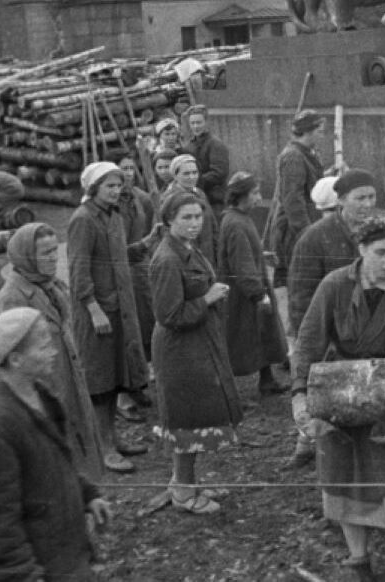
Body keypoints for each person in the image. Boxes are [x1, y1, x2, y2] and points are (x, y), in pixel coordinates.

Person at [292, 214, 385, 582]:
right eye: (381, 252)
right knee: (342, 476)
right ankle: (358, 559)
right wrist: (300, 395)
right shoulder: (334, 286)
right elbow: (308, 343)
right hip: (338, 395)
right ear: (361, 250)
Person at [0, 308, 113, 580]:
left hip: (61, 557)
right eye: (43, 346)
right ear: (16, 359)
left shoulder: (40, 397)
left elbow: (53, 465)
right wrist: (23, 574)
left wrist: (87, 495)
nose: (53, 350)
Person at [149, 191, 243, 515]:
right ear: (169, 221)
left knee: (194, 417)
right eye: (186, 218)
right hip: (180, 351)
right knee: (184, 421)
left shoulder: (188, 249)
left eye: (198, 217)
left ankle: (185, 481)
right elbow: (169, 315)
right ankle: (184, 493)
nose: (194, 223)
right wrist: (208, 299)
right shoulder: (167, 259)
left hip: (197, 344)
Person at [0, 224, 106, 479]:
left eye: (55, 250)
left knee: (76, 453)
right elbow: (8, 364)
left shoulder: (53, 287)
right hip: (41, 392)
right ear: (25, 257)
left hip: (68, 382)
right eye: (44, 253)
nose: (53, 257)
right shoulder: (13, 298)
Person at [285, 169, 379, 467]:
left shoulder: (380, 232)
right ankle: (307, 443)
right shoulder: (315, 239)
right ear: (340, 201)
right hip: (329, 333)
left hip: (370, 332)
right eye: (359, 198)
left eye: (371, 197)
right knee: (321, 391)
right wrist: (307, 337)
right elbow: (300, 294)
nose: (367, 204)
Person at [67, 161, 150, 474]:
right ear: (93, 189)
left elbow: (117, 256)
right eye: (109, 186)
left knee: (116, 377)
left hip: (119, 310)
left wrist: (144, 245)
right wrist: (92, 308)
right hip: (97, 313)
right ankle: (104, 447)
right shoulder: (84, 220)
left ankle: (113, 437)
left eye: (118, 185)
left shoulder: (113, 216)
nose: (117, 191)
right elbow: (79, 269)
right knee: (100, 381)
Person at [218, 171, 288, 396]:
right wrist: (258, 294)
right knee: (241, 339)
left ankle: (267, 381)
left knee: (263, 334)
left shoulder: (241, 218)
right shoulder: (235, 223)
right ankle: (227, 392)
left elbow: (249, 251)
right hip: (244, 294)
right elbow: (241, 262)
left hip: (251, 287)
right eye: (255, 193)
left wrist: (263, 255)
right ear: (240, 196)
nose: (259, 198)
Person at [116, 153, 161, 421]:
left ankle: (138, 383)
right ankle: (123, 394)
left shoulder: (141, 199)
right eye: (123, 169)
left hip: (141, 270)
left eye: (132, 169)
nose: (128, 174)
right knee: (126, 331)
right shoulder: (108, 206)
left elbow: (151, 232)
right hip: (120, 272)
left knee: (144, 325)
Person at [270, 110, 327, 287]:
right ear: (308, 132)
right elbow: (293, 200)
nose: (322, 135)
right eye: (319, 131)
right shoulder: (294, 156)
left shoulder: (305, 153)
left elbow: (309, 184)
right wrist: (307, 234)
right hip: (294, 231)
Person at [160, 154, 218, 266]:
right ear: (175, 175)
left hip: (206, 255)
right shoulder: (170, 199)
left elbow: (212, 224)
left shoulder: (200, 194)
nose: (192, 177)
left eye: (194, 172)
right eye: (186, 174)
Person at [185, 104, 230, 218]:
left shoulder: (215, 144)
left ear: (206, 122)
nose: (196, 126)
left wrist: (194, 182)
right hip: (195, 198)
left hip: (214, 200)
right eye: (192, 123)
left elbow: (219, 173)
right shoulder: (189, 146)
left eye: (199, 122)